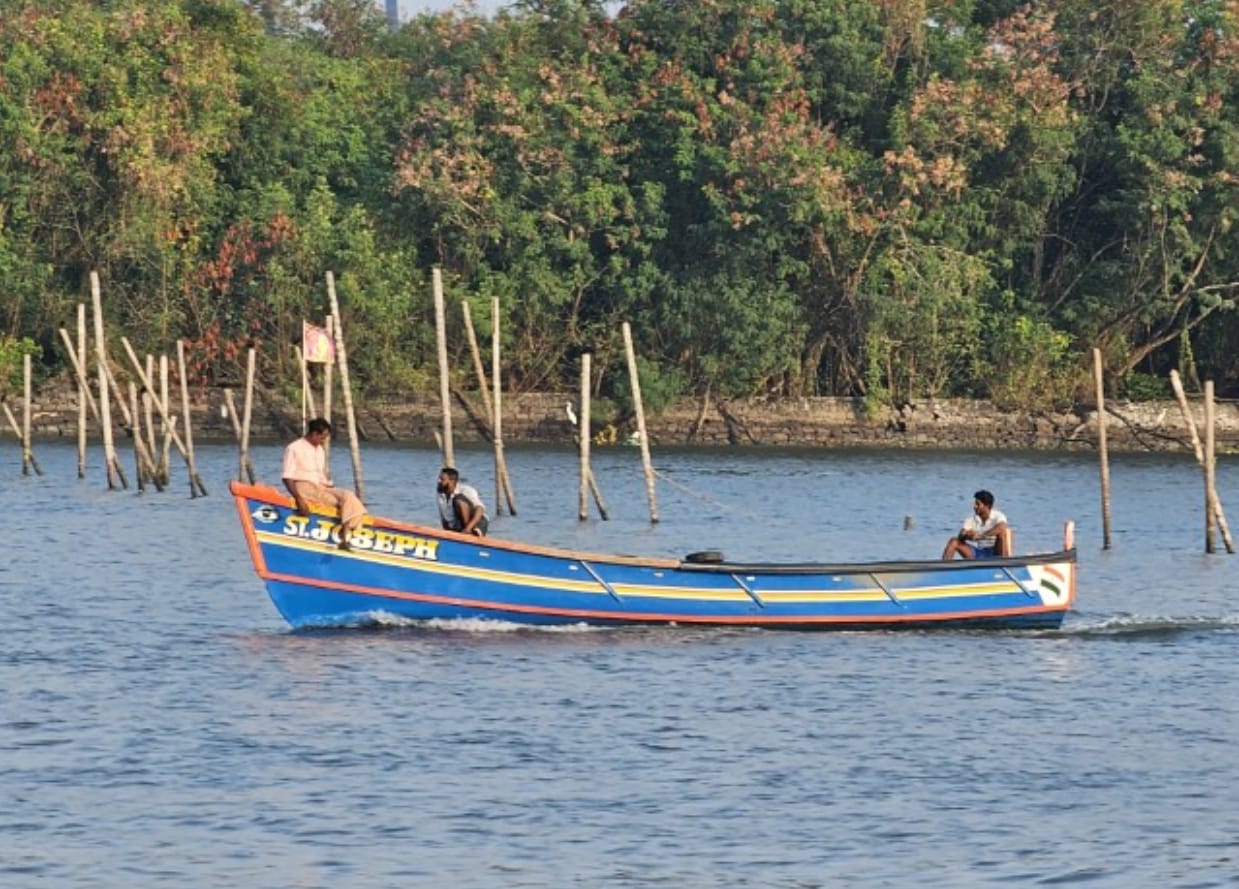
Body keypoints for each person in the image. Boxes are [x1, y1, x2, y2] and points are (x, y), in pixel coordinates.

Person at [282, 418, 366, 550]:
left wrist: (330, 487)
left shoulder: (320, 450)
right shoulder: (294, 448)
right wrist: (299, 499)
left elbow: (321, 475)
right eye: (322, 437)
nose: (323, 441)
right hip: (304, 487)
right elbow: (287, 477)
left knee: (349, 496)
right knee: (339, 503)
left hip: (322, 486)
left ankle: (345, 536)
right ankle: (346, 534)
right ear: (314, 434)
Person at [942, 489, 1010, 560]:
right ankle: (942, 568)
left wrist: (981, 536)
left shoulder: (998, 515)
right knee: (953, 541)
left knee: (1002, 533)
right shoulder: (971, 519)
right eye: (975, 504)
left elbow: (1002, 527)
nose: (974, 506)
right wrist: (967, 535)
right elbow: (961, 535)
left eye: (978, 504)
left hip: (996, 552)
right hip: (980, 552)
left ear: (987, 506)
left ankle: (1004, 563)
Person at [437, 466, 489, 536]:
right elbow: (444, 518)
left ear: (452, 480)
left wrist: (467, 529)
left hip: (477, 524)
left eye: (442, 479)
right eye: (439, 478)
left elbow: (480, 509)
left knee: (458, 499)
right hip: (457, 525)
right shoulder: (440, 494)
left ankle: (469, 533)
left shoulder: (466, 490)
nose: (438, 481)